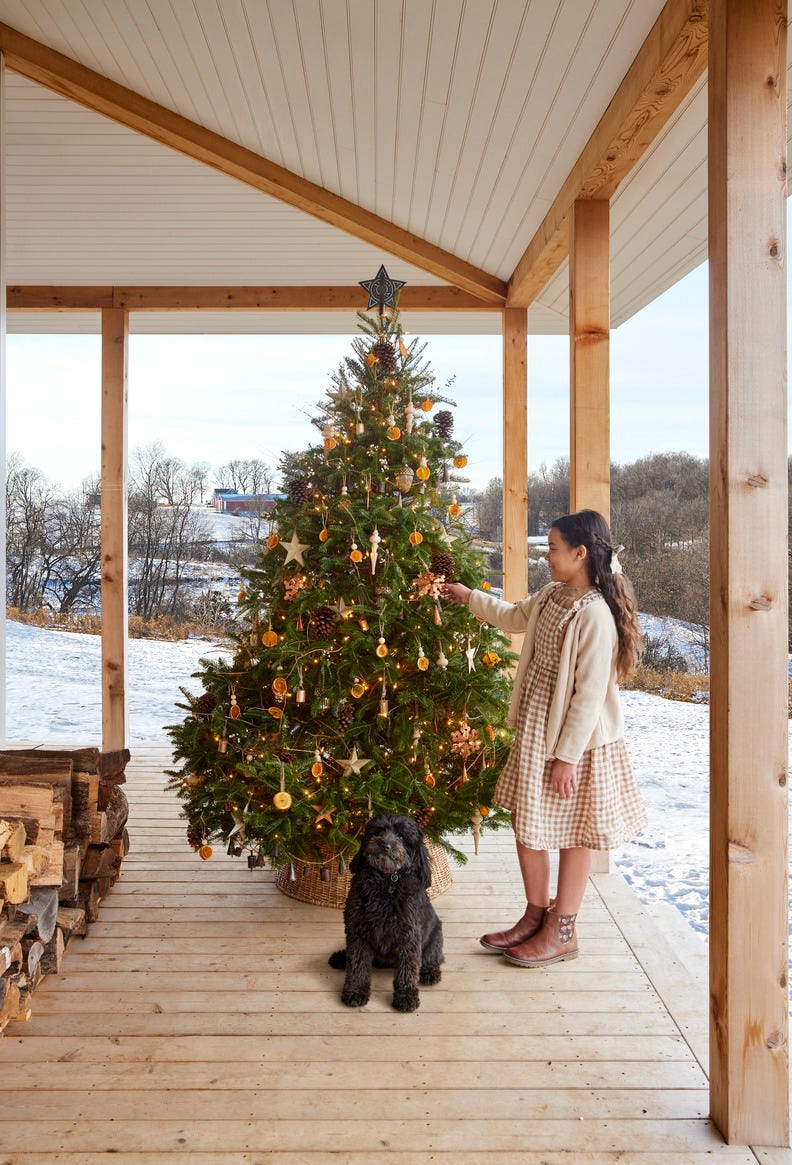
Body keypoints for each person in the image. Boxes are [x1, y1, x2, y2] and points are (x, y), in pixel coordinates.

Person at [443, 509, 646, 967]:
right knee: (528, 825)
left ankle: (564, 927)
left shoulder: (594, 614)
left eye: (553, 549)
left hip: (580, 742)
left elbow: (590, 695)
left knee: (575, 833)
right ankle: (536, 914)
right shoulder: (554, 595)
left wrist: (567, 757)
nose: (546, 557)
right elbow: (514, 616)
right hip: (539, 728)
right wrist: (467, 596)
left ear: (580, 553)